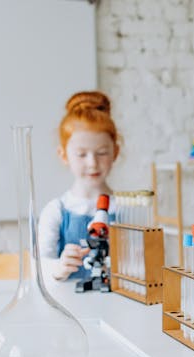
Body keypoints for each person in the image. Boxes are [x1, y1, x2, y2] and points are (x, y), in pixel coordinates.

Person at [39, 91, 119, 281]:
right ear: (63, 155)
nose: (92, 163)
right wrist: (59, 268)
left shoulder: (126, 210)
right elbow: (40, 267)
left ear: (115, 152)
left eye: (101, 153)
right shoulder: (56, 211)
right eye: (81, 154)